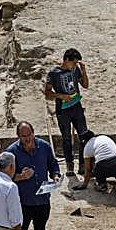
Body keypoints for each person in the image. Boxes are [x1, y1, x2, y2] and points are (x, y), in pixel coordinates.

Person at [4, 121, 60, 230]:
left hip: (42, 199)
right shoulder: (11, 152)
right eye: (24, 136)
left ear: (34, 133)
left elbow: (53, 164)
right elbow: (4, 177)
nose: (28, 139)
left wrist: (55, 176)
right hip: (23, 201)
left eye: (29, 135)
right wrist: (20, 177)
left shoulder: (44, 146)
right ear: (18, 136)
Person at [43, 49, 90, 178]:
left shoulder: (75, 70)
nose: (74, 66)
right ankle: (69, 164)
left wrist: (84, 71)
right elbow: (47, 92)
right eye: (73, 63)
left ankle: (82, 163)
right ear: (66, 60)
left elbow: (85, 85)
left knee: (83, 135)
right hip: (63, 109)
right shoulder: (54, 73)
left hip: (76, 106)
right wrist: (61, 96)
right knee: (66, 138)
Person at [74, 130, 116, 201]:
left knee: (98, 168)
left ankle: (102, 185)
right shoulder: (104, 137)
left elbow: (88, 169)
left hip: (102, 167)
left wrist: (84, 184)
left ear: (84, 141)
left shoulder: (87, 147)